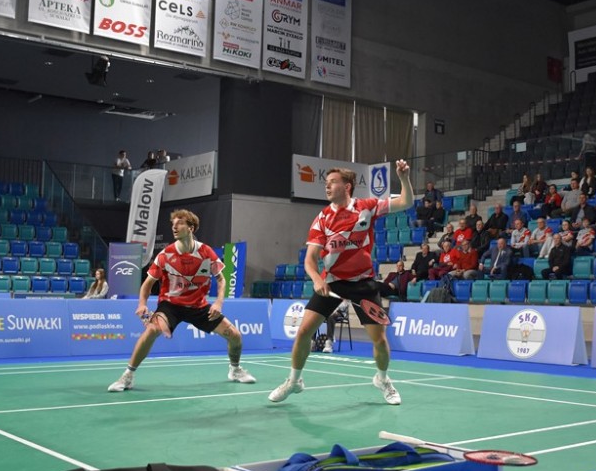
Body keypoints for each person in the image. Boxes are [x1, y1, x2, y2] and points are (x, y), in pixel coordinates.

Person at [269, 160, 413, 405]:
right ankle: (294, 381)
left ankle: (382, 379)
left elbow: (406, 202)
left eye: (332, 182)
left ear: (347, 187)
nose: (327, 187)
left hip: (363, 282)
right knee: (304, 332)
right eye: (326, 183)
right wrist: (317, 279)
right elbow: (310, 259)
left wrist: (404, 178)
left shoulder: (367, 207)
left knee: (379, 340)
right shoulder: (322, 219)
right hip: (332, 282)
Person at [108, 209, 255, 392]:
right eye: (173, 224)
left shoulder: (206, 252)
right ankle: (128, 376)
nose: (174, 227)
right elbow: (147, 284)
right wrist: (142, 304)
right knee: (152, 329)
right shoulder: (165, 255)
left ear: (191, 228)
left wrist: (218, 303)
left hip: (198, 306)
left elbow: (221, 279)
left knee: (235, 335)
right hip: (171, 305)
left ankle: (235, 370)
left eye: (180, 223)